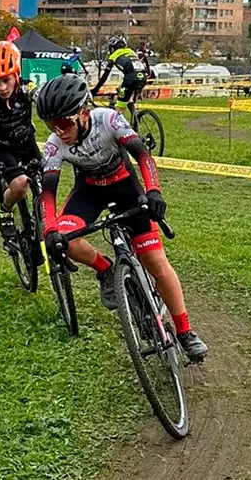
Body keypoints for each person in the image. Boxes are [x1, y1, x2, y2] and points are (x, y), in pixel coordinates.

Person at [34, 74, 208, 362]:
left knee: (154, 259)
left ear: (83, 112)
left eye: (64, 123)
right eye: (50, 125)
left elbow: (143, 155)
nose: (58, 131)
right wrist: (50, 229)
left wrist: (154, 191)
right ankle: (106, 270)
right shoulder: (54, 143)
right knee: (65, 242)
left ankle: (185, 331)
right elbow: (48, 192)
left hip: (126, 186)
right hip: (88, 192)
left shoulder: (108, 120)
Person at [0, 41, 41, 245]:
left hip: (27, 142)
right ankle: (5, 210)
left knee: (46, 183)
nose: (2, 88)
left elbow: (43, 99)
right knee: (21, 184)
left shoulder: (26, 87)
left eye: (6, 80)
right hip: (2, 147)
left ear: (16, 74)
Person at [91, 35, 147, 118]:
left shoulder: (114, 56)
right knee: (125, 93)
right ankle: (135, 117)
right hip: (143, 77)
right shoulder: (131, 52)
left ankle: (120, 125)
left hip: (130, 79)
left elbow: (104, 76)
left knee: (119, 110)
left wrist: (95, 90)